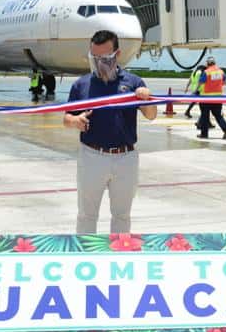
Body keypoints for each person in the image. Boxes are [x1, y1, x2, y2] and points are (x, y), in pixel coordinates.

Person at [63, 30, 157, 233]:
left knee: (122, 215)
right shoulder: (82, 84)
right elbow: (67, 118)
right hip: (92, 156)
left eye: (104, 58)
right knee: (87, 214)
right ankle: (87, 254)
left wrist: (146, 98)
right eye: (94, 57)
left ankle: (119, 255)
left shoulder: (133, 83)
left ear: (117, 54)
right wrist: (75, 121)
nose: (98, 62)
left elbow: (151, 115)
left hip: (126, 157)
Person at [197, 56, 226, 139]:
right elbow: (225, 82)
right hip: (218, 97)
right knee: (218, 115)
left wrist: (196, 90)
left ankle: (204, 134)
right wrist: (217, 85)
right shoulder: (221, 72)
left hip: (206, 97)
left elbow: (201, 82)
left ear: (208, 63)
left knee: (205, 116)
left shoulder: (206, 72)